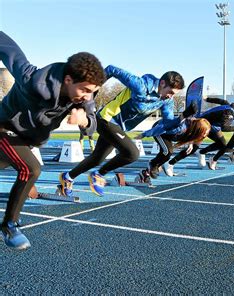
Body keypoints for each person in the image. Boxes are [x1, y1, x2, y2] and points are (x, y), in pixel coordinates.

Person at [0, 31, 106, 249]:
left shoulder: (83, 98)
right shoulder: (32, 78)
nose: (87, 97)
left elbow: (93, 122)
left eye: (92, 92)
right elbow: (8, 49)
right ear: (68, 80)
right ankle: (10, 225)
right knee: (31, 168)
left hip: (25, 140)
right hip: (4, 128)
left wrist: (85, 121)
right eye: (85, 90)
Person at [59, 65, 185, 197]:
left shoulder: (166, 101)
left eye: (173, 95)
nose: (170, 96)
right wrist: (91, 95)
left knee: (97, 158)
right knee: (132, 153)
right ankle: (98, 175)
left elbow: (167, 124)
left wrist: (183, 117)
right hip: (107, 119)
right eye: (170, 92)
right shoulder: (141, 85)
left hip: (120, 128)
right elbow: (111, 69)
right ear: (162, 83)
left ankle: (67, 177)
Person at [161, 98, 234, 175]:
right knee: (192, 148)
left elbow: (222, 101)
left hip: (212, 127)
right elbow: (224, 127)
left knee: (222, 144)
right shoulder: (230, 113)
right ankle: (170, 163)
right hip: (202, 126)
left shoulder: (230, 107)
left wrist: (207, 99)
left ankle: (202, 152)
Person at [136, 118, 211, 181]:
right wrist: (145, 134)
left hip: (168, 135)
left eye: (206, 133)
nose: (205, 135)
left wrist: (190, 144)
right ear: (198, 129)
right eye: (204, 132)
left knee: (167, 153)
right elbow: (161, 128)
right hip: (160, 131)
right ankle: (153, 164)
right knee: (167, 151)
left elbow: (191, 135)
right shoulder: (182, 128)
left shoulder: (193, 129)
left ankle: (149, 170)